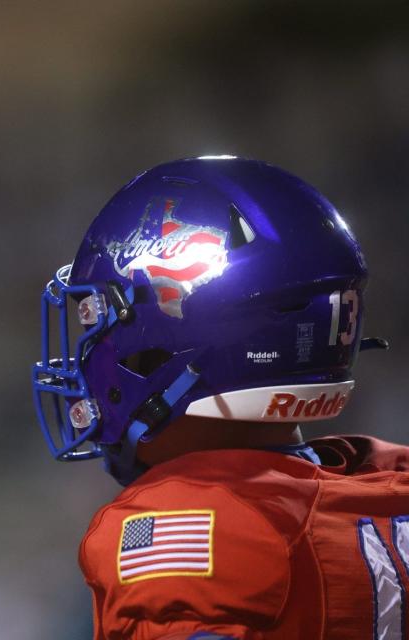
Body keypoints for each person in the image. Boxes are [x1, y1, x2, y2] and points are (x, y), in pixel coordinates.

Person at [31, 157, 407, 639]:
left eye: (97, 321)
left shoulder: (199, 527)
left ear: (167, 345)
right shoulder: (387, 483)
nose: (88, 356)